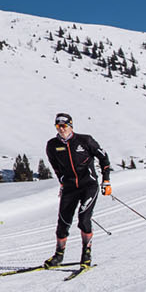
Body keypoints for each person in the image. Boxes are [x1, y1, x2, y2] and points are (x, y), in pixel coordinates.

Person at [42, 113, 111, 267]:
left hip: (89, 186)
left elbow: (104, 159)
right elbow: (55, 167)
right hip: (70, 188)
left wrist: (106, 181)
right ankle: (58, 255)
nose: (61, 129)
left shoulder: (85, 141)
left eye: (64, 125)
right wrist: (62, 182)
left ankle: (86, 254)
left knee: (84, 219)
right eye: (58, 126)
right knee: (63, 223)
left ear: (71, 126)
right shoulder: (52, 145)